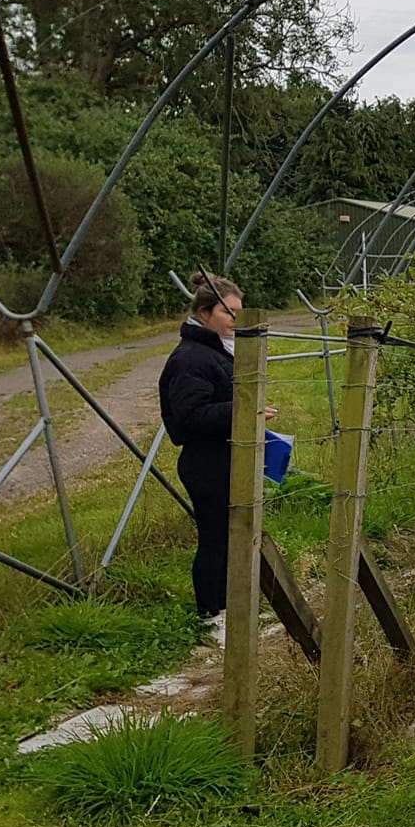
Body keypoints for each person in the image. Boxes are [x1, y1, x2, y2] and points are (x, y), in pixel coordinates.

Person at [158, 272, 273, 643]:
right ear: (206, 313)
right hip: (206, 462)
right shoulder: (191, 358)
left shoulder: (218, 351)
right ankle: (210, 615)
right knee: (215, 539)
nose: (237, 320)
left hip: (228, 456)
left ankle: (231, 607)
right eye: (231, 313)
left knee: (234, 535)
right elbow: (190, 417)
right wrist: (245, 410)